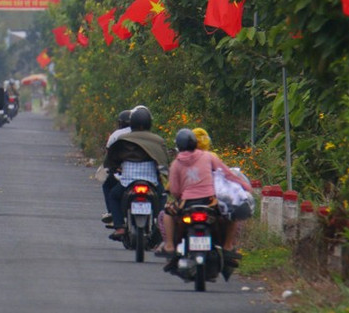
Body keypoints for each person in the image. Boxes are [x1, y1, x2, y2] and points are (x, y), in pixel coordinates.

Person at [162, 128, 252, 276]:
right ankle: (228, 246)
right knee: (231, 215)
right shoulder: (209, 157)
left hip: (187, 205)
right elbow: (228, 174)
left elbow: (175, 190)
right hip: (209, 202)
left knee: (167, 213)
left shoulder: (176, 164)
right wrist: (246, 186)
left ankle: (170, 246)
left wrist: (181, 197)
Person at [104, 105, 170, 240]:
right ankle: (159, 224)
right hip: (151, 181)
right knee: (162, 196)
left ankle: (120, 227)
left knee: (114, 196)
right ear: (149, 123)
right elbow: (164, 161)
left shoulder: (123, 139)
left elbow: (112, 158)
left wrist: (114, 167)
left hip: (128, 182)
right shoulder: (157, 140)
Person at [99, 109, 132, 225]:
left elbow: (109, 154)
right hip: (147, 178)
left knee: (108, 188)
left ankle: (112, 214)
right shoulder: (147, 136)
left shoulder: (116, 135)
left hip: (122, 172)